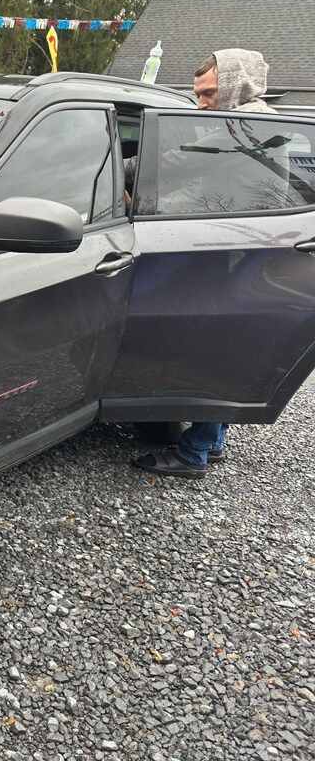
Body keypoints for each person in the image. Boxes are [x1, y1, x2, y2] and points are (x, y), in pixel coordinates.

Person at [134, 48, 276, 479]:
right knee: (223, 348)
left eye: (209, 93)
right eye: (197, 94)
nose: (201, 104)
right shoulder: (260, 120)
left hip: (228, 258)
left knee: (207, 350)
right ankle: (210, 441)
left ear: (235, 84)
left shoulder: (240, 128)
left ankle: (193, 452)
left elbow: (178, 168)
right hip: (241, 256)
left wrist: (118, 185)